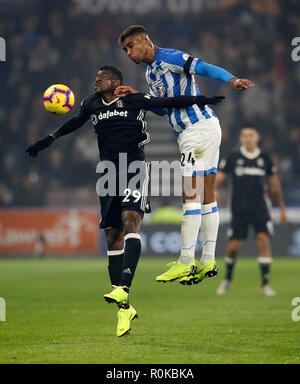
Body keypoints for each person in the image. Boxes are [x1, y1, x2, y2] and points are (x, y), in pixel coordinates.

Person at [26, 65, 224, 336]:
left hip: (134, 166)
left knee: (131, 220)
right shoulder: (91, 103)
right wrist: (49, 139)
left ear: (116, 81)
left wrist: (199, 100)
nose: (96, 82)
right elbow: (75, 122)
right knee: (112, 237)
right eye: (95, 78)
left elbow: (166, 102)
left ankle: (123, 288)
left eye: (101, 78)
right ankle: (125, 309)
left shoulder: (133, 99)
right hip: (107, 172)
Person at [116, 25, 254, 286]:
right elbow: (164, 109)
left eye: (131, 46)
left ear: (145, 40)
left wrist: (231, 79)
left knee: (190, 195)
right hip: (204, 129)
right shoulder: (150, 73)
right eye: (125, 50)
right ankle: (208, 261)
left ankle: (185, 261)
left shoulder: (168, 57)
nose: (128, 53)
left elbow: (203, 67)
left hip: (196, 130)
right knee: (207, 197)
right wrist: (140, 97)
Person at [215, 126, 287, 296]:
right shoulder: (233, 157)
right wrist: (214, 192)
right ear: (241, 138)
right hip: (239, 208)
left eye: (251, 135)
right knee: (234, 247)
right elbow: (219, 177)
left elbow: (274, 184)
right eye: (245, 135)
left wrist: (282, 208)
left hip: (260, 207)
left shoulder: (265, 159)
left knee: (263, 240)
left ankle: (265, 284)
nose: (248, 138)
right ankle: (227, 279)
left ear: (257, 137)